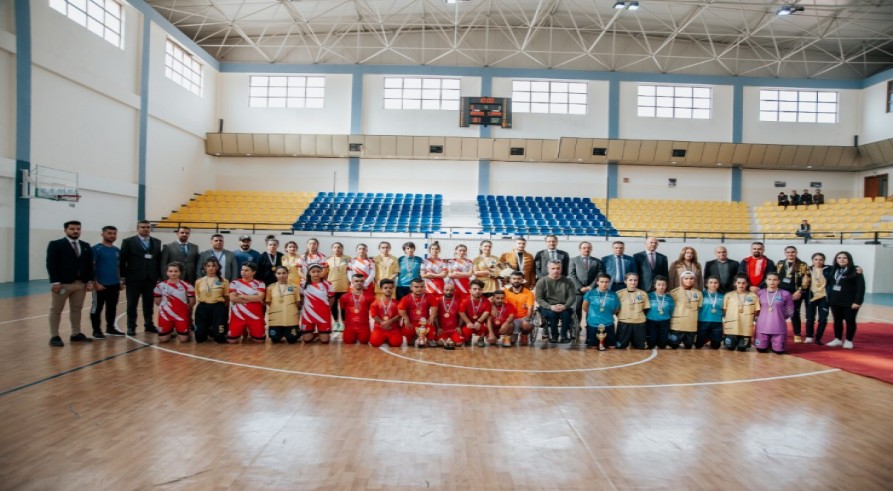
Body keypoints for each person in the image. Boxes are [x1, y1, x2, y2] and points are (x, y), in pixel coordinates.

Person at [46, 220, 95, 347]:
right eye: (72, 229)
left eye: (78, 229)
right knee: (56, 309)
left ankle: (76, 334)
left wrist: (89, 281)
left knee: (77, 309)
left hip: (80, 284)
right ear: (65, 230)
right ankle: (54, 336)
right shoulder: (56, 244)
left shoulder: (85, 245)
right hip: (62, 284)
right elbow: (51, 264)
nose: (75, 231)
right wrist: (55, 282)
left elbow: (89, 265)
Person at [120, 220, 162, 336]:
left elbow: (158, 260)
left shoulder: (157, 242)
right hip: (133, 278)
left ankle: (149, 324)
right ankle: (131, 326)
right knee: (132, 304)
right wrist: (122, 277)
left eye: (147, 227)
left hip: (151, 278)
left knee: (149, 304)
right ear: (137, 228)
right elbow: (123, 260)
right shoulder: (128, 241)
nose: (145, 229)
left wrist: (158, 276)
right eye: (142, 227)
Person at [826, 251, 865, 349]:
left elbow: (861, 288)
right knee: (837, 321)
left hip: (850, 302)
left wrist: (858, 302)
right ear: (836, 260)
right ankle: (837, 339)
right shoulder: (833, 270)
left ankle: (849, 340)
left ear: (849, 259)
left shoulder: (855, 271)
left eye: (844, 258)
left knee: (850, 320)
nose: (842, 260)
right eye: (839, 258)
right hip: (835, 301)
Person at [90, 225, 124, 339]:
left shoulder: (116, 250)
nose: (112, 235)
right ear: (102, 234)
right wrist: (95, 283)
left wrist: (120, 281)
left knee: (112, 307)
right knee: (97, 308)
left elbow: (118, 267)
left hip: (114, 284)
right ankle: (96, 330)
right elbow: (92, 267)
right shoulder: (96, 249)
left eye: (114, 233)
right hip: (100, 284)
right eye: (109, 233)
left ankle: (110, 328)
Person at [535, 261, 577, 344]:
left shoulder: (568, 281)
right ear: (548, 269)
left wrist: (565, 306)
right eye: (553, 268)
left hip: (563, 305)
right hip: (547, 306)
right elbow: (539, 298)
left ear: (561, 269)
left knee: (566, 314)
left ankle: (564, 336)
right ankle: (554, 336)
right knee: (552, 314)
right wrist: (550, 306)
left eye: (558, 268)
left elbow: (572, 297)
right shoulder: (542, 281)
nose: (555, 271)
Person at [153, 262, 195, 343]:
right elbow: (157, 302)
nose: (173, 273)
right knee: (163, 340)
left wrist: (184, 310)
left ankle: (186, 330)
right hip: (165, 315)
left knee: (184, 340)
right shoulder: (159, 286)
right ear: (167, 272)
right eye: (171, 271)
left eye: (176, 271)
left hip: (181, 314)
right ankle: (171, 330)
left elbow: (192, 302)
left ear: (180, 272)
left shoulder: (187, 285)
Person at [776, 246, 810, 343]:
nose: (790, 254)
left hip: (795, 293)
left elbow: (806, 279)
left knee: (794, 313)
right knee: (778, 312)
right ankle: (778, 331)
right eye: (788, 252)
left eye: (792, 252)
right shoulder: (780, 263)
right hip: (781, 292)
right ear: (785, 253)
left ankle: (797, 334)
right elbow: (776, 276)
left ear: (796, 252)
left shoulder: (802, 264)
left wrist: (800, 291)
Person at [754, 272, 794, 354]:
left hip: (778, 327)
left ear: (779, 281)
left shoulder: (785, 294)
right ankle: (767, 343)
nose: (772, 282)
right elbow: (755, 309)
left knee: (779, 351)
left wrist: (780, 317)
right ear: (766, 281)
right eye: (769, 279)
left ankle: (774, 343)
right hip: (762, 326)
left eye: (775, 280)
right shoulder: (760, 293)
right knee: (761, 350)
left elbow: (790, 310)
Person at [227, 262, 266, 344]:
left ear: (254, 272)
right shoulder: (234, 283)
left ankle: (250, 331)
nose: (243, 272)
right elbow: (232, 298)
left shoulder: (260, 283)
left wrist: (241, 295)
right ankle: (243, 330)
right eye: (242, 270)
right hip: (238, 315)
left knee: (259, 341)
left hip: (254, 316)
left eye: (246, 270)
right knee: (231, 341)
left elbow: (259, 297)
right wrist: (252, 298)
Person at [580, 274, 620, 350]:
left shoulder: (613, 294)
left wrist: (607, 314)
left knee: (612, 347)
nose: (604, 284)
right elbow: (584, 307)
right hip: (593, 323)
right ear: (597, 282)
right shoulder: (590, 293)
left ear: (609, 282)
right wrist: (592, 314)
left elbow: (617, 309)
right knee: (593, 347)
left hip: (608, 323)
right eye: (602, 282)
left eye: (606, 282)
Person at [194, 257, 229, 343]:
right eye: (208, 266)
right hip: (203, 307)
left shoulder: (224, 281)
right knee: (199, 338)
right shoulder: (199, 281)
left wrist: (223, 310)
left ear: (217, 267)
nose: (211, 268)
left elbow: (226, 298)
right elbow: (197, 295)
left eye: (214, 266)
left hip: (218, 307)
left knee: (220, 338)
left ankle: (216, 331)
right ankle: (207, 331)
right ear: (205, 267)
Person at [722, 275, 760, 352]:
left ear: (747, 284)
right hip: (732, 326)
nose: (741, 285)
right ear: (734, 284)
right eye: (739, 283)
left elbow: (756, 310)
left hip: (746, 326)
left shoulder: (753, 296)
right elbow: (725, 309)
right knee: (730, 348)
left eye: (743, 283)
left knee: (742, 349)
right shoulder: (728, 295)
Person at [265, 266, 302, 344]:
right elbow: (268, 302)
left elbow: (297, 301)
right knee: (275, 340)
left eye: (284, 273)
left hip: (290, 317)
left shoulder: (294, 286)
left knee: (292, 340)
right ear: (275, 275)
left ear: (287, 274)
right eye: (279, 273)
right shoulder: (270, 287)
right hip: (275, 318)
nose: (281, 275)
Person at [568, 241, 605, 320]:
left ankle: (589, 328)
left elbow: (600, 276)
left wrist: (590, 287)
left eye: (588, 248)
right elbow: (571, 275)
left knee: (591, 310)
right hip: (577, 291)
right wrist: (580, 287)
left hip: (592, 291)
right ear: (580, 249)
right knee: (576, 310)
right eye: (584, 248)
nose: (586, 250)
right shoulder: (573, 260)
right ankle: (576, 328)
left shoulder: (598, 261)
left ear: (591, 249)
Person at [398, 278, 438, 347]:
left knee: (431, 329)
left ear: (425, 287)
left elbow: (435, 305)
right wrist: (406, 318)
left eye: (421, 286)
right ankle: (415, 338)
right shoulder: (406, 298)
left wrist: (432, 316)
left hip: (425, 322)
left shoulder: (430, 296)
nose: (419, 289)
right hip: (411, 322)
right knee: (408, 338)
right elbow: (401, 309)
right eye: (416, 287)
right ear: (411, 288)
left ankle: (429, 339)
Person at [300, 264, 335, 344]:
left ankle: (321, 334)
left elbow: (332, 298)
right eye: (313, 272)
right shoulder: (303, 284)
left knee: (324, 341)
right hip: (308, 314)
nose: (316, 274)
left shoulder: (328, 284)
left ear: (322, 272)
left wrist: (328, 308)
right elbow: (301, 296)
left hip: (323, 314)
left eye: (318, 271)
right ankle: (315, 334)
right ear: (309, 273)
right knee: (307, 340)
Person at [615, 272, 649, 350]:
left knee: (640, 347)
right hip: (624, 323)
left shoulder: (643, 294)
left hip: (639, 323)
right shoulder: (619, 294)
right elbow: (616, 309)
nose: (633, 282)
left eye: (635, 280)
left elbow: (646, 309)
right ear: (625, 281)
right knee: (620, 346)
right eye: (630, 280)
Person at [668, 271, 702, 349]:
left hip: (691, 326)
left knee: (688, 346)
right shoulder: (673, 293)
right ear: (681, 279)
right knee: (674, 345)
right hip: (677, 325)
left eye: (691, 278)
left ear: (694, 280)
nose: (689, 281)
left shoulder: (699, 294)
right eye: (686, 278)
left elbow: (699, 308)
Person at [805, 252, 832, 344]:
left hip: (824, 297)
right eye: (816, 259)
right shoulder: (807, 269)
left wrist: (857, 267)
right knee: (810, 318)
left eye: (821, 259)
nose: (818, 261)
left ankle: (818, 338)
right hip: (811, 296)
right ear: (812, 260)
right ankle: (809, 336)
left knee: (823, 319)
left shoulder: (829, 269)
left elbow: (842, 266)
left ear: (824, 260)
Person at [503, 271, 536, 346]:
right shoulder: (505, 292)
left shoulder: (529, 293)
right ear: (510, 280)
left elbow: (530, 308)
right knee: (512, 342)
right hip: (511, 318)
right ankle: (509, 336)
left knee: (526, 325)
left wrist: (527, 319)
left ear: (522, 280)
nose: (516, 280)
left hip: (523, 317)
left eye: (519, 279)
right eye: (514, 278)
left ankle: (524, 335)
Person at [340, 274, 373, 345]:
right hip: (350, 326)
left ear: (364, 282)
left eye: (361, 281)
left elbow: (374, 312)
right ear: (352, 281)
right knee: (348, 342)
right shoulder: (344, 297)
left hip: (364, 326)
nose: (359, 283)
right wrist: (344, 323)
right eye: (356, 281)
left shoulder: (370, 297)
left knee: (364, 341)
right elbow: (342, 310)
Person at [369, 279, 403, 348]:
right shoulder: (375, 303)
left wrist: (390, 321)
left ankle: (387, 338)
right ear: (381, 289)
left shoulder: (397, 303)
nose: (388, 290)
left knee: (397, 344)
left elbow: (399, 315)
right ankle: (384, 338)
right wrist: (382, 323)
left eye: (390, 288)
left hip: (393, 328)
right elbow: (374, 315)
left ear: (393, 289)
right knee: (374, 343)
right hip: (380, 328)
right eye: (385, 288)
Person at [326, 242, 351, 330]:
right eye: (335, 247)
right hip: (332, 286)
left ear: (342, 249)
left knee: (343, 306)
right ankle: (336, 322)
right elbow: (325, 273)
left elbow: (351, 271)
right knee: (333, 306)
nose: (337, 249)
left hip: (344, 285)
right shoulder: (328, 260)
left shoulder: (348, 258)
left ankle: (344, 323)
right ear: (332, 249)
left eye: (339, 247)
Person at [459, 280, 491, 347]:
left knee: (486, 326)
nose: (477, 291)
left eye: (480, 289)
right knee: (466, 330)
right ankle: (468, 339)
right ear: (470, 290)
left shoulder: (486, 301)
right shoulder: (465, 300)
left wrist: (479, 321)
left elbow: (486, 312)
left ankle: (481, 339)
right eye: (474, 289)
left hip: (480, 322)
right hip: (468, 321)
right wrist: (468, 322)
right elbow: (461, 312)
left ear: (482, 290)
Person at [645, 276, 673, 349]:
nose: (661, 287)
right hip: (651, 321)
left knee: (662, 345)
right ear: (655, 285)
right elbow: (645, 308)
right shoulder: (649, 296)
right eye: (659, 284)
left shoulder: (669, 298)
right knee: (651, 343)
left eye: (664, 285)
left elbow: (671, 310)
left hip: (664, 321)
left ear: (666, 286)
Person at [696, 277, 724, 349]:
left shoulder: (722, 296)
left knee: (716, 346)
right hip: (703, 321)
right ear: (706, 284)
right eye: (711, 283)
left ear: (718, 284)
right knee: (699, 345)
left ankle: (712, 341)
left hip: (717, 322)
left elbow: (724, 309)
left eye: (715, 283)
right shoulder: (701, 294)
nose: (713, 285)